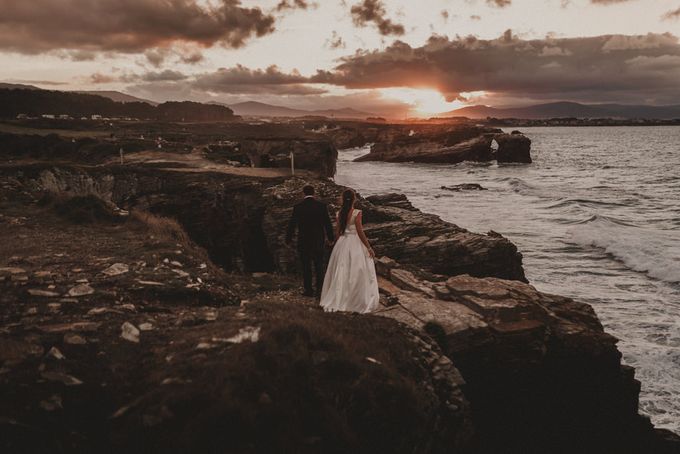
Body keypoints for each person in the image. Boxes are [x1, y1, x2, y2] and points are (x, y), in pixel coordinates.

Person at [320, 189, 380, 313]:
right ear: (354, 199)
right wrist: (369, 247)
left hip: (342, 242)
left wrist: (335, 243)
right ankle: (354, 298)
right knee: (357, 270)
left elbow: (338, 232)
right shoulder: (357, 213)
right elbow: (360, 231)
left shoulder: (339, 213)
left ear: (343, 199)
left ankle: (341, 296)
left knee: (342, 269)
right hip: (354, 242)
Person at [286, 185, 335, 297]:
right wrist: (331, 238)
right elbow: (327, 224)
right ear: (314, 193)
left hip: (304, 240)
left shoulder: (298, 207)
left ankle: (308, 290)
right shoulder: (321, 206)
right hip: (318, 240)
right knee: (319, 265)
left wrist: (288, 239)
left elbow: (292, 224)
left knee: (306, 266)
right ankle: (319, 290)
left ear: (303, 193)